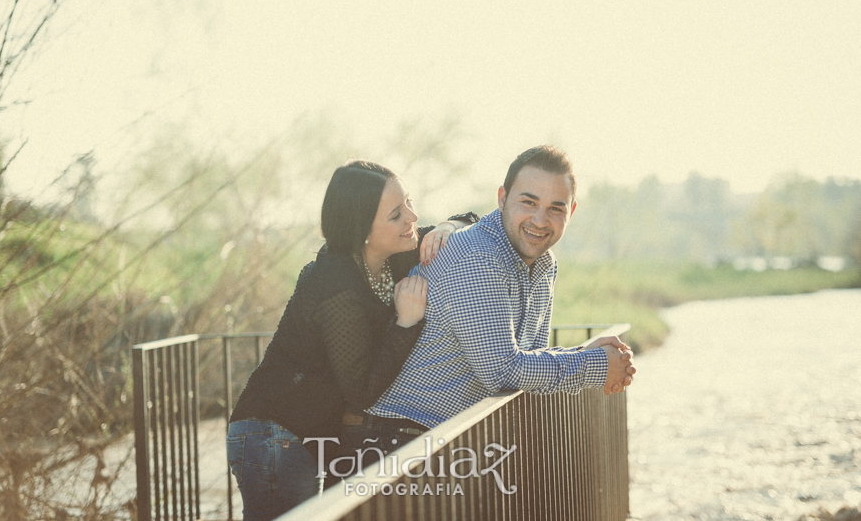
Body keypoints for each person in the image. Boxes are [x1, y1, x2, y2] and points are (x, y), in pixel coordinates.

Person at [226, 160, 477, 521]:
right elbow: (361, 391)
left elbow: (476, 223)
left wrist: (449, 226)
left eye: (408, 201)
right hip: (274, 435)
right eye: (396, 213)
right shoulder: (336, 283)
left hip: (307, 434)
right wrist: (406, 324)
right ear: (361, 230)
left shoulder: (392, 254)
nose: (412, 216)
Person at [364, 145, 635, 445]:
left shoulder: (544, 264)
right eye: (528, 202)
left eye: (556, 208)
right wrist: (594, 366)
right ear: (502, 198)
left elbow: (526, 363)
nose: (540, 220)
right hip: (399, 444)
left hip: (453, 442)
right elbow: (502, 371)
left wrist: (581, 353)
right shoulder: (477, 255)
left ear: (570, 212)